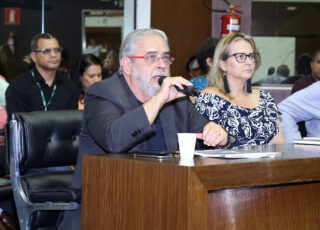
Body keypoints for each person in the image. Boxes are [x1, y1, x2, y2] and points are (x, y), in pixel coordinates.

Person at [57, 28, 235, 230]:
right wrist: (158, 99)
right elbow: (114, 141)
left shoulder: (178, 100)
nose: (161, 64)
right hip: (103, 207)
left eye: (165, 58)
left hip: (160, 204)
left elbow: (207, 134)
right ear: (127, 65)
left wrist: (221, 135)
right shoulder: (103, 93)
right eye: (151, 57)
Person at [195, 33, 285, 146]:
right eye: (241, 56)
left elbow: (279, 143)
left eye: (252, 56)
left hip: (267, 163)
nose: (249, 62)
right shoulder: (209, 99)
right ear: (223, 64)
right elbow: (204, 144)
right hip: (226, 163)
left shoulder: (265, 98)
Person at [5, 33, 79, 121]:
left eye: (56, 50)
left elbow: (73, 125)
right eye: (46, 51)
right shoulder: (18, 87)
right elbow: (17, 127)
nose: (53, 55)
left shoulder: (70, 87)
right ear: (34, 56)